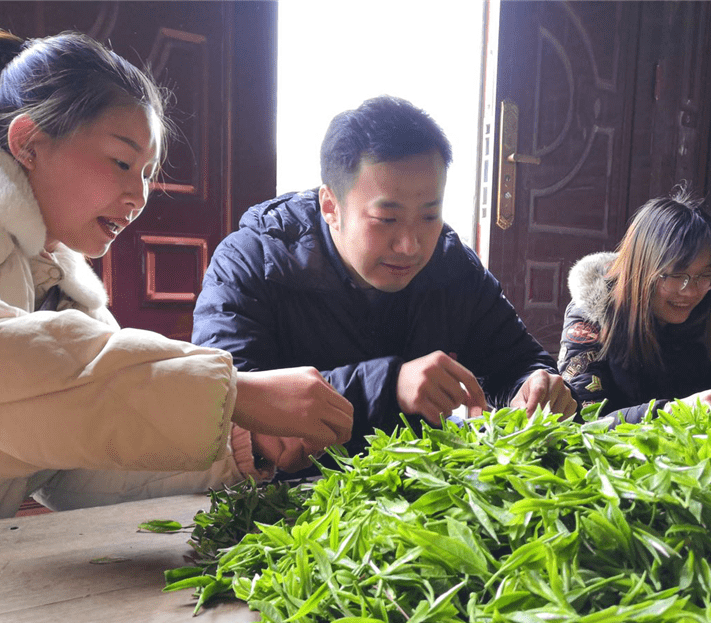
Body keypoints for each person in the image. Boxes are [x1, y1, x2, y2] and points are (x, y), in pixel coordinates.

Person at [0, 29, 353, 533]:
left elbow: (82, 465)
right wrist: (232, 392)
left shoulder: (68, 299)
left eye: (146, 174)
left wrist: (241, 442)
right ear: (29, 141)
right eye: (122, 162)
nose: (137, 196)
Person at [192, 95, 575, 473]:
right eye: (386, 220)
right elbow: (223, 407)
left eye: (429, 216)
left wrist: (534, 386)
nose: (410, 245)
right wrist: (389, 385)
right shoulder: (251, 261)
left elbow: (518, 358)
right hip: (293, 502)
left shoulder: (450, 262)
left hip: (418, 495)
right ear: (330, 207)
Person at [558, 189, 711, 424]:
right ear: (643, 269)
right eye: (677, 276)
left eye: (705, 276)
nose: (691, 292)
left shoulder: (702, 315)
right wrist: (675, 412)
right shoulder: (591, 319)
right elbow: (582, 424)